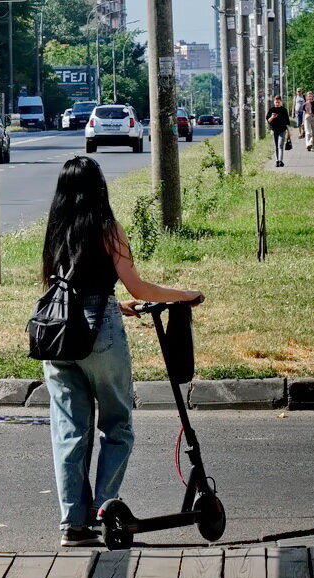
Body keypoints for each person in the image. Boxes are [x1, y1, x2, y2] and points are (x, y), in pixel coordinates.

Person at [39, 156, 205, 547]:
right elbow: (139, 289)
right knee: (116, 426)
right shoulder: (108, 228)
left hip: (57, 336)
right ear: (99, 188)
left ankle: (72, 525)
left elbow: (61, 287)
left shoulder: (55, 230)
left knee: (69, 431)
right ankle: (104, 511)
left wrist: (117, 305)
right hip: (101, 333)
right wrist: (186, 295)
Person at [267, 95, 291, 167]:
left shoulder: (284, 110)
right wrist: (272, 117)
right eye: (276, 102)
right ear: (274, 102)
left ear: (281, 102)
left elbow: (287, 122)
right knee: (275, 146)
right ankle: (277, 160)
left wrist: (289, 132)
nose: (277, 103)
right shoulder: (271, 110)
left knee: (280, 145)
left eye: (278, 102)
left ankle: (280, 160)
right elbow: (268, 120)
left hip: (282, 130)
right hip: (274, 130)